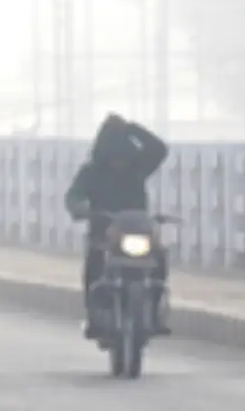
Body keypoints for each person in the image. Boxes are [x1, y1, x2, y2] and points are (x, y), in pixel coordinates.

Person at [64, 113, 170, 338]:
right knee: (94, 265)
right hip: (104, 233)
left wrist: (132, 128)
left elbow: (159, 149)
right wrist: (82, 209)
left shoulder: (137, 169)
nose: (119, 163)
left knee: (159, 256)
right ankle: (94, 316)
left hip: (138, 230)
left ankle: (155, 309)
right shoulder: (91, 172)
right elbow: (73, 196)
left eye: (123, 157)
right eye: (114, 158)